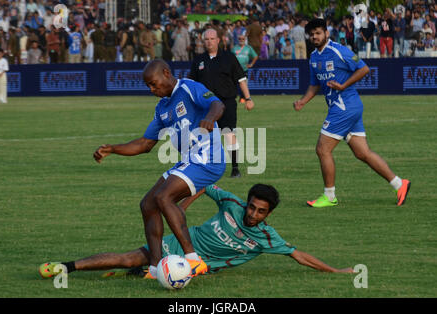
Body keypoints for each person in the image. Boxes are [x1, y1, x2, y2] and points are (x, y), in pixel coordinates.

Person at [39, 184, 354, 279]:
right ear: (246, 203)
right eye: (252, 207)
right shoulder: (231, 203)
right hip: (178, 246)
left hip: (197, 268)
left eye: (261, 212)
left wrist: (338, 270)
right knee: (129, 256)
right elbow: (203, 184)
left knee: (164, 276)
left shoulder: (267, 238)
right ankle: (64, 267)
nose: (253, 214)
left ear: (268, 214)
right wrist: (181, 208)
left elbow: (299, 255)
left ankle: (145, 272)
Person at [90, 59, 226, 279]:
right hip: (191, 160)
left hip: (209, 158)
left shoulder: (188, 87)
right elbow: (145, 144)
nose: (152, 89)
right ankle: (155, 268)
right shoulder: (162, 108)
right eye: (148, 86)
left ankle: (194, 260)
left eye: (154, 84)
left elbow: (218, 104)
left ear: (166, 73)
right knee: (148, 204)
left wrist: (210, 118)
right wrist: (113, 149)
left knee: (164, 196)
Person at [293, 19, 411, 208]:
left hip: (345, 107)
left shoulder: (341, 50)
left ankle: (329, 196)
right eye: (312, 34)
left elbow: (364, 68)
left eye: (318, 33)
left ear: (326, 33)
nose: (315, 37)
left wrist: (343, 85)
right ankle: (399, 183)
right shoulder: (314, 57)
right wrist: (302, 101)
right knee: (362, 153)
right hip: (343, 108)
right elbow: (315, 84)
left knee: (323, 149)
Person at [190, 28, 254, 179]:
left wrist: (248, 98)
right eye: (206, 39)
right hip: (206, 105)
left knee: (228, 133)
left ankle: (235, 168)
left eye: (212, 39)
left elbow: (241, 79)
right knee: (204, 135)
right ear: (203, 41)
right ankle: (203, 167)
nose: (209, 42)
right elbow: (192, 84)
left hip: (226, 103)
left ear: (218, 40)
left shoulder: (229, 57)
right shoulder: (198, 60)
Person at [231, 34, 258, 103]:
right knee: (233, 84)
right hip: (235, 69)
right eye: (240, 39)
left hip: (244, 69)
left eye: (242, 39)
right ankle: (232, 97)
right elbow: (229, 57)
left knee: (244, 84)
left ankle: (243, 98)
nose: (241, 40)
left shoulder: (248, 48)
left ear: (245, 40)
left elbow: (255, 56)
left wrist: (251, 64)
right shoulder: (234, 48)